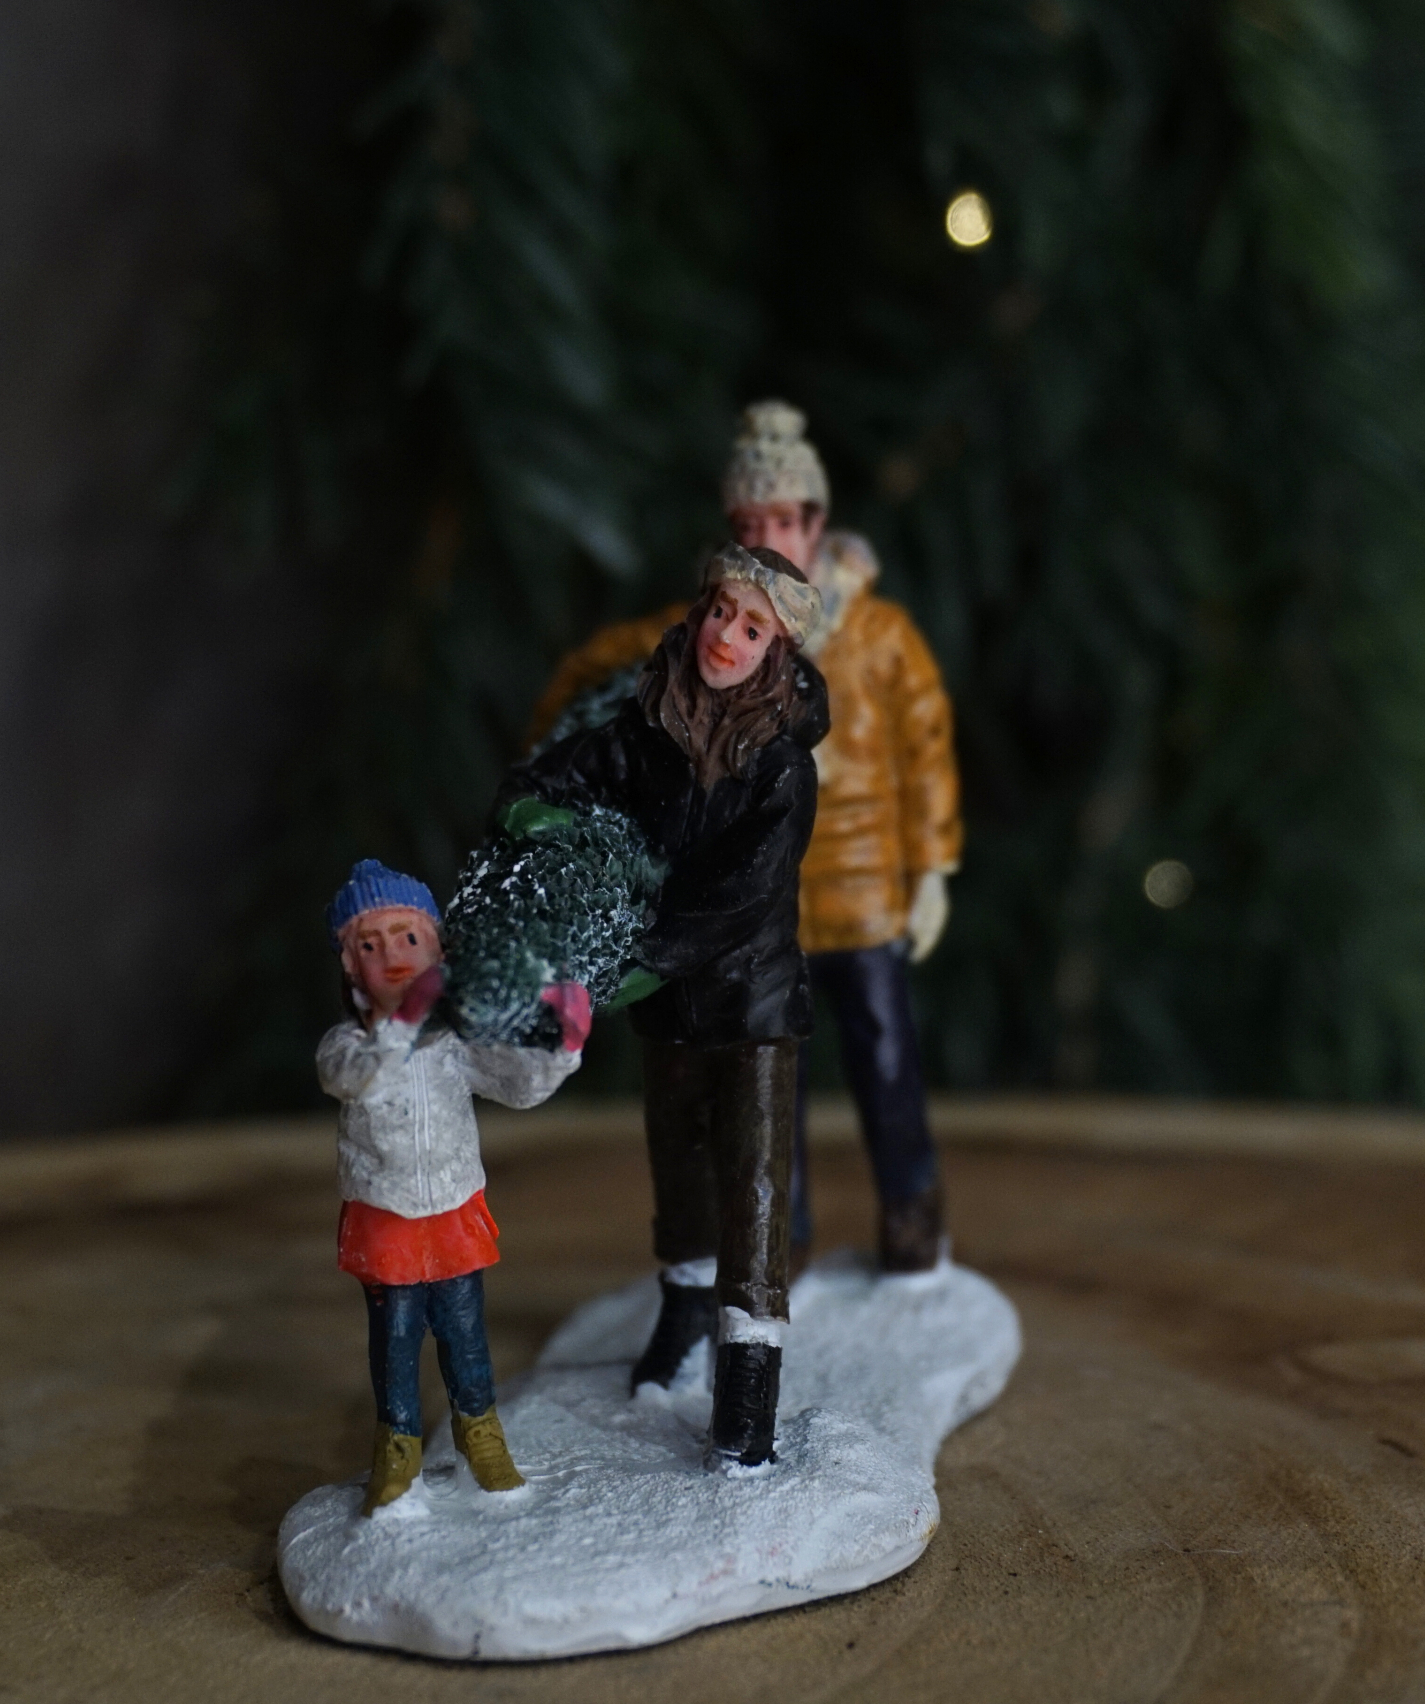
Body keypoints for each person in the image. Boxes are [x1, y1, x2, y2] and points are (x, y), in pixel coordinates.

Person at [526, 401, 962, 1273]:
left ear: (817, 522)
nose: (771, 533)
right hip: (763, 907)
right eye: (750, 523)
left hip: (865, 889)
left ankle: (912, 1213)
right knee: (771, 1080)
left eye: (784, 521)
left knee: (885, 1057)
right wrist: (555, 757)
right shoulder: (714, 630)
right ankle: (782, 1231)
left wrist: (933, 866)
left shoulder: (878, 636)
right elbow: (596, 673)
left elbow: (926, 746)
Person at [499, 546, 827, 1468]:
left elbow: (739, 899)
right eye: (722, 612)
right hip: (669, 1007)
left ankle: (748, 1399)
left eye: (752, 627)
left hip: (751, 1005)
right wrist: (540, 823)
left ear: (778, 652)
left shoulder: (782, 772)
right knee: (675, 1162)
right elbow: (553, 776)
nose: (727, 635)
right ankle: (681, 1317)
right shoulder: (652, 723)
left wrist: (625, 961)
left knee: (753, 1187)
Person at [317, 859, 592, 1513]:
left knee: (466, 1327)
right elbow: (360, 1081)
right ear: (350, 966)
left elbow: (517, 1086)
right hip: (387, 1214)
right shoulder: (345, 1047)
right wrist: (401, 1026)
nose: (392, 955)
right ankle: (398, 1445)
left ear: (438, 949)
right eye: (371, 943)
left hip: (451, 1207)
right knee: (396, 1335)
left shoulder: (456, 1046)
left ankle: (480, 1432)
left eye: (408, 938)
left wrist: (562, 1041)